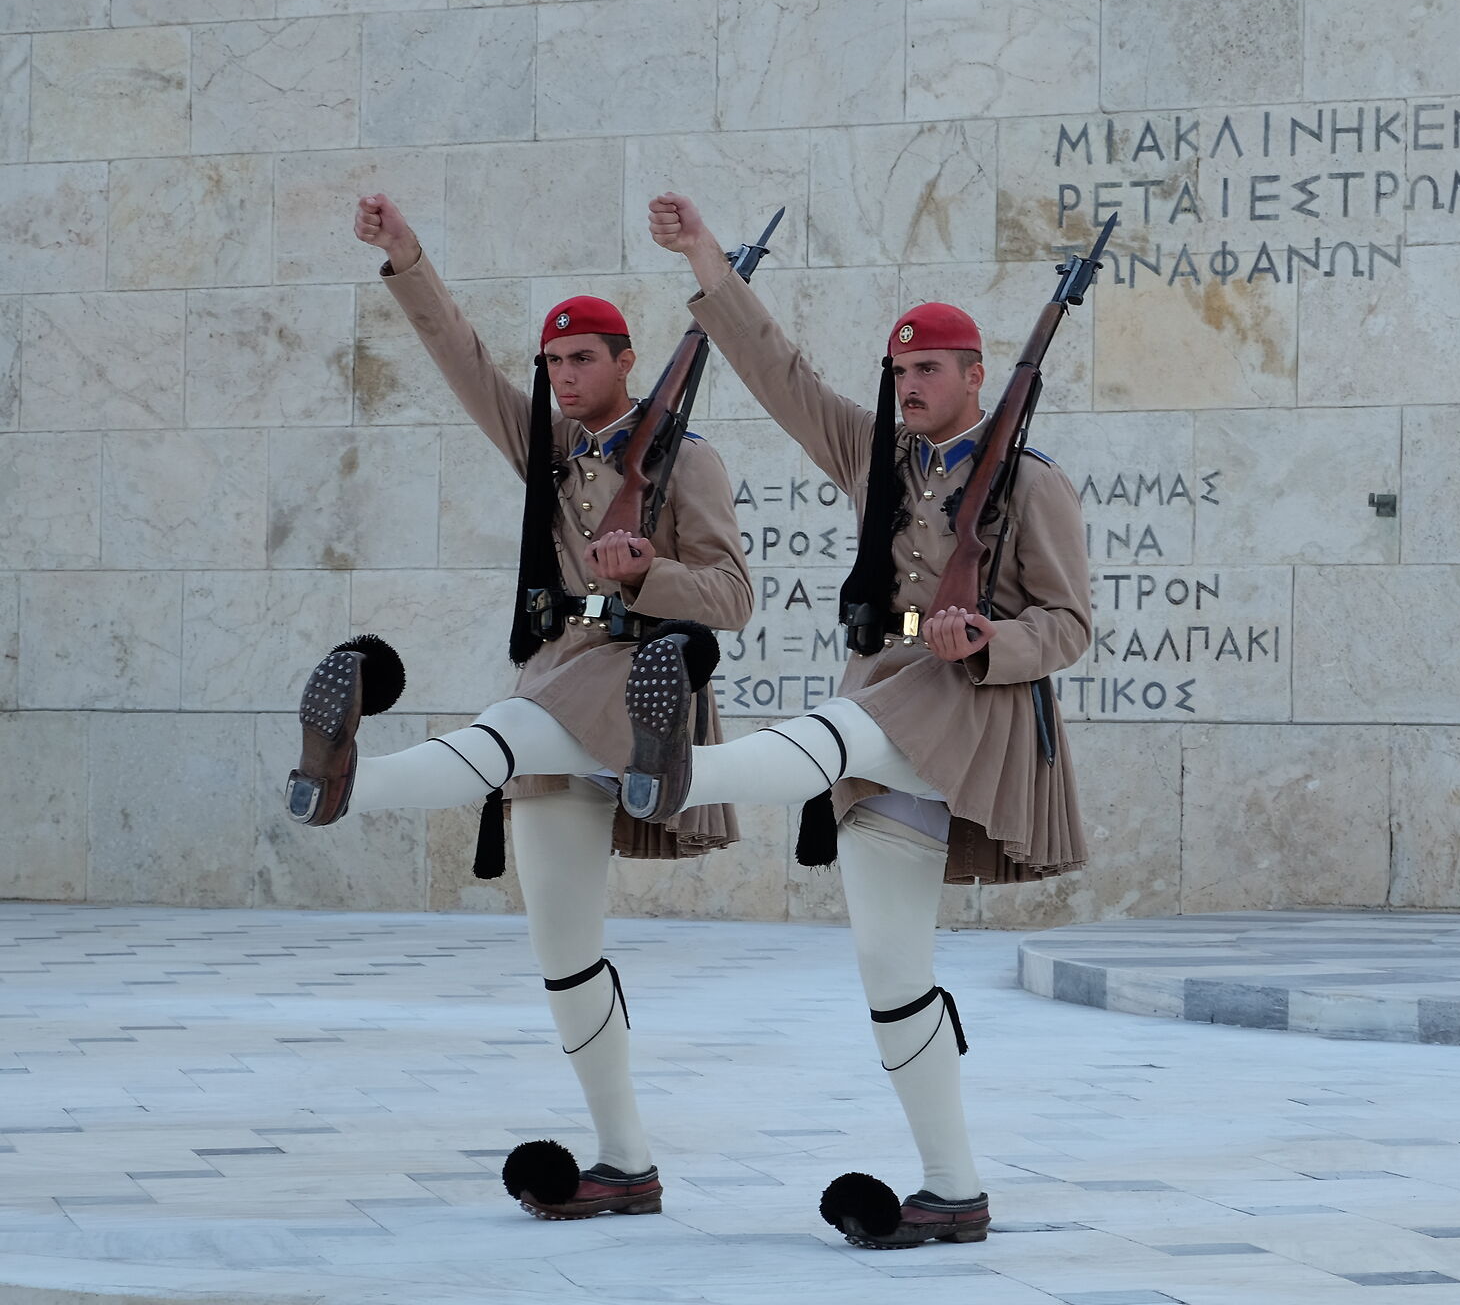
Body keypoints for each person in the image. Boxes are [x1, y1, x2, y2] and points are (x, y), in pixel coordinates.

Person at [622, 191, 1093, 1249]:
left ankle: (677, 771)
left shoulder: (1032, 485)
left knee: (832, 732)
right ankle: (953, 1188)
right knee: (890, 968)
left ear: (977, 379)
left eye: (930, 369)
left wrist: (990, 642)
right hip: (889, 696)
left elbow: (1066, 624)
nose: (910, 384)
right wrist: (706, 259)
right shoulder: (878, 457)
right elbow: (782, 376)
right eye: (900, 370)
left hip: (968, 716)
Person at [284, 194, 753, 1219]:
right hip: (554, 675)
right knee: (563, 948)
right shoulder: (545, 447)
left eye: (581, 359)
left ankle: (349, 779)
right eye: (551, 364)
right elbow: (462, 362)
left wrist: (650, 573)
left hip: (636, 685)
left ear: (627, 360)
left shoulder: (689, 456)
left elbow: (733, 597)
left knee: (496, 736)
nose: (561, 377)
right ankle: (626, 1163)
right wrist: (409, 256)